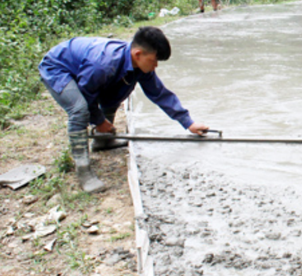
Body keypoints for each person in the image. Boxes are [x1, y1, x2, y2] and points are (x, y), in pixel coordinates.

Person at [39, 27, 209, 193]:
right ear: (138, 54)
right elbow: (86, 94)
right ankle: (83, 170)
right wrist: (99, 121)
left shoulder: (139, 64)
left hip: (85, 70)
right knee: (80, 110)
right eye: (154, 60)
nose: (155, 66)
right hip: (58, 68)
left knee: (120, 89)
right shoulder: (103, 64)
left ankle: (102, 141)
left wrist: (189, 123)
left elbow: (159, 94)